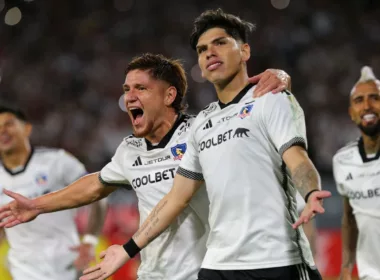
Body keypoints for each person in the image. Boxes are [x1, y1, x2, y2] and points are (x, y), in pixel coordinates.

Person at [77, 9, 333, 280]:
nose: (210, 52)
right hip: (217, 265)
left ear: (245, 51)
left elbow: (298, 159)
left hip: (275, 258)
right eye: (202, 49)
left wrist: (310, 192)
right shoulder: (201, 125)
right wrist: (128, 250)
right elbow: (175, 199)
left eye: (220, 43)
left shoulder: (271, 100)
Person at [0, 53, 291, 280]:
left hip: (205, 271)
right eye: (127, 89)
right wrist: (38, 205)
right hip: (153, 273)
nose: (130, 96)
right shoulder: (130, 149)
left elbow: (247, 111)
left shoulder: (202, 130)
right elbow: (96, 185)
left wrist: (280, 76)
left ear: (169, 96)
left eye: (141, 88)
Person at [0, 105, 107, 280]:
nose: (2, 131)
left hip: (67, 265)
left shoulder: (57, 161)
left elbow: (98, 193)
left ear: (27, 128)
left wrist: (90, 241)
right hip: (24, 270)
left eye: (9, 124)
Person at [332, 66, 380, 280]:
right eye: (359, 100)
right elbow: (349, 218)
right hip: (369, 273)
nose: (367, 105)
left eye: (375, 98)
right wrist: (346, 266)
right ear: (351, 113)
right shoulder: (342, 160)